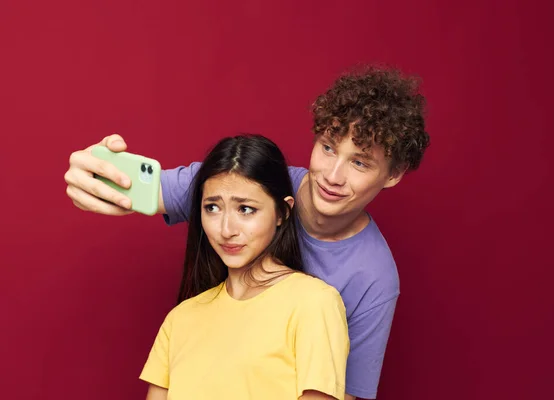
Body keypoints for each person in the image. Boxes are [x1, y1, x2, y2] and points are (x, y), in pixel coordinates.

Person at [64, 65, 430, 400]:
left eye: (360, 162)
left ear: (393, 174)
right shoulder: (249, 184)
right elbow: (133, 188)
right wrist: (93, 173)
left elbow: (342, 393)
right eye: (328, 147)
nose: (333, 176)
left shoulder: (370, 280)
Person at [141, 134, 349, 400]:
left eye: (246, 209)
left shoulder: (314, 303)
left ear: (282, 213)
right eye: (212, 207)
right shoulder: (180, 319)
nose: (226, 230)